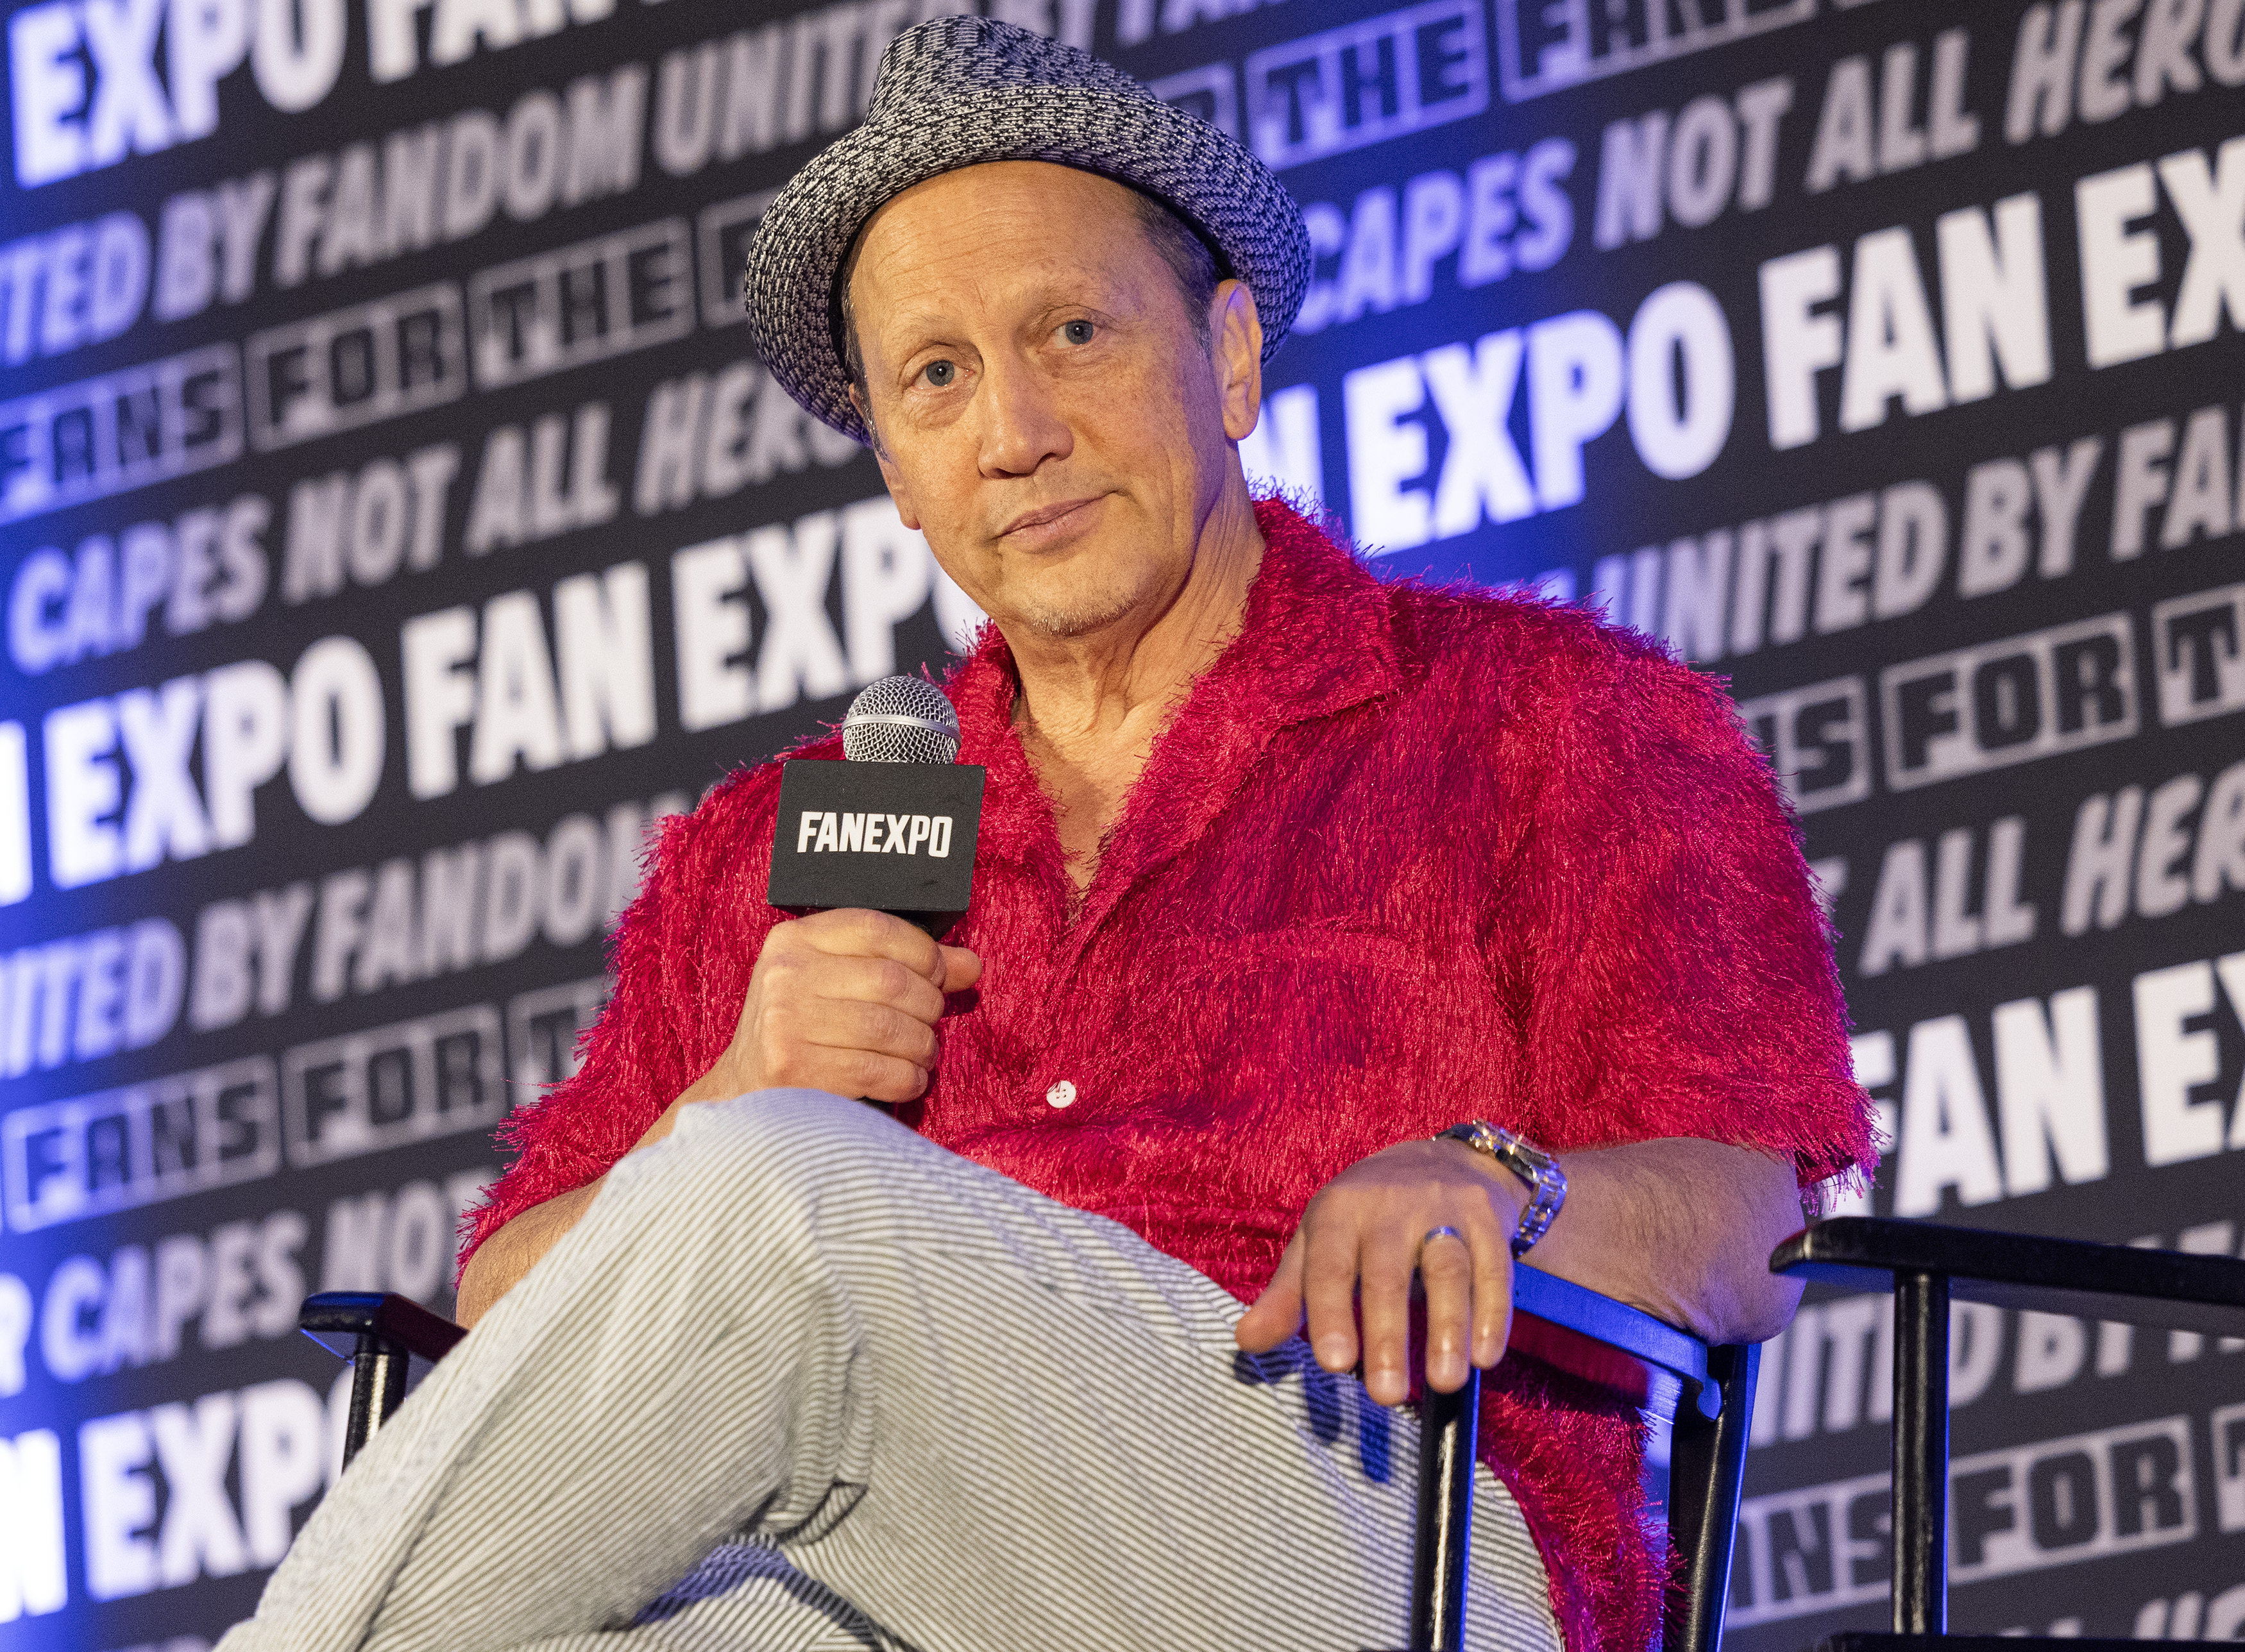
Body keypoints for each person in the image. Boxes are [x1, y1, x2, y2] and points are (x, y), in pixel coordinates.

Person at [219, 19, 1871, 1652]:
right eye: (937, 377)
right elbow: (517, 1329)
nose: (1013, 429)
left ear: (1227, 357)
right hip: (891, 1578)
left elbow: (1755, 1219)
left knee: (797, 1198)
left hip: (1395, 1525)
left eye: (1070, 331)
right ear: (897, 472)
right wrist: (721, 1100)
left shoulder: (1554, 719)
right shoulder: (755, 854)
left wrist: (1494, 1185)